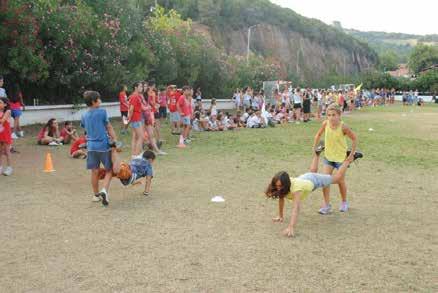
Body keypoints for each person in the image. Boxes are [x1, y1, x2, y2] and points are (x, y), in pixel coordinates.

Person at [265, 153, 355, 237]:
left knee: (338, 178)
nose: (278, 188)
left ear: (286, 183)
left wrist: (291, 226)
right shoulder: (281, 186)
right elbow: (281, 199)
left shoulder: (295, 189)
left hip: (314, 180)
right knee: (312, 173)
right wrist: (280, 216)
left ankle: (349, 158)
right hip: (304, 179)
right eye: (276, 186)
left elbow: (296, 208)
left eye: (280, 186)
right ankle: (317, 153)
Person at [312, 104, 357, 214]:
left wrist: (351, 155)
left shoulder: (343, 127)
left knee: (340, 181)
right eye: (329, 115)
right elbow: (317, 135)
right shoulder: (325, 123)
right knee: (325, 181)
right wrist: (315, 147)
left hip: (341, 158)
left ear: (339, 115)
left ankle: (344, 202)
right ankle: (327, 205)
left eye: (334, 115)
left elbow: (354, 139)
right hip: (328, 157)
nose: (331, 117)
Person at [81, 90, 118, 206]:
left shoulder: (84, 115)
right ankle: (104, 191)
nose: (100, 101)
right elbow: (109, 126)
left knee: (94, 171)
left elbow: (85, 130)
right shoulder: (102, 112)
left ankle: (96, 195)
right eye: (99, 99)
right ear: (94, 101)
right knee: (109, 170)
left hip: (91, 147)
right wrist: (115, 139)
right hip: (103, 145)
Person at [128, 82, 144, 158]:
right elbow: (131, 109)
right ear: (135, 87)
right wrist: (129, 119)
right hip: (136, 119)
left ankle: (135, 154)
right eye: (140, 86)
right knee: (141, 137)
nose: (142, 87)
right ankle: (136, 155)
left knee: (136, 137)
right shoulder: (135, 96)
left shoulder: (136, 96)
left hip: (136, 118)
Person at [0, 97, 13, 175]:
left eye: (0, 102)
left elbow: (2, 120)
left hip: (6, 134)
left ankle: (9, 167)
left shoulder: (8, 111)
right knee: (0, 151)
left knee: (7, 151)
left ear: (5, 104)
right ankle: (0, 167)